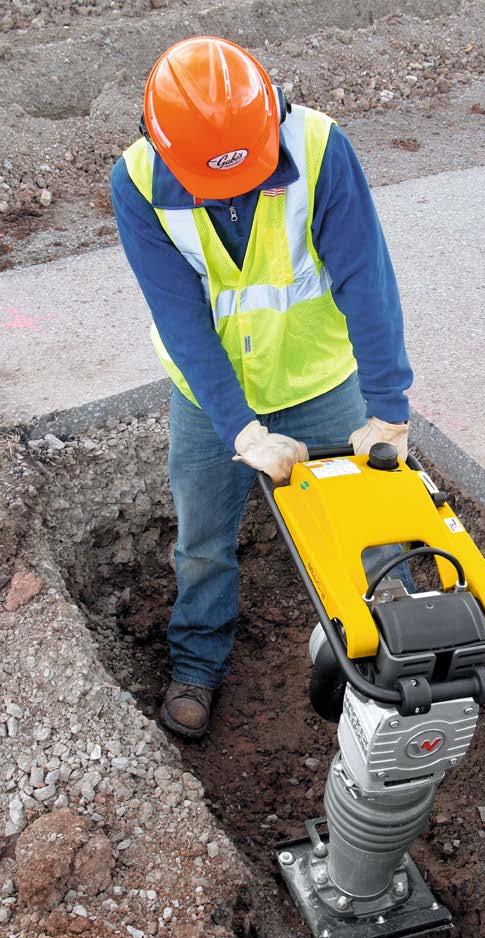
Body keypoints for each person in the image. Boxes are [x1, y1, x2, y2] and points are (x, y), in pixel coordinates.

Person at [111, 35, 413, 739]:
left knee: (364, 531)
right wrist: (240, 429)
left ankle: (387, 662)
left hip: (318, 379)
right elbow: (180, 319)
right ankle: (197, 663)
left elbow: (365, 279)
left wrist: (388, 409)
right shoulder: (138, 183)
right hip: (210, 396)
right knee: (204, 541)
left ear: (271, 118)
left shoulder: (317, 149)